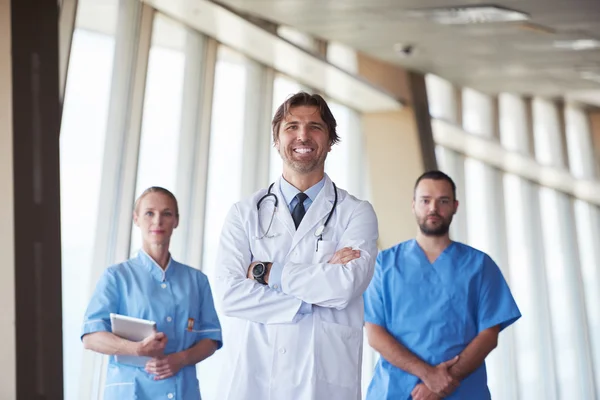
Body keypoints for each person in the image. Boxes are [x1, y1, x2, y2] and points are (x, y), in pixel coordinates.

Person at [214, 92, 379, 400]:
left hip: (322, 383)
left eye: (315, 126)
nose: (303, 135)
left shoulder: (356, 212)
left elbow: (346, 285)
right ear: (277, 139)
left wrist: (268, 274)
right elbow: (229, 294)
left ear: (330, 139)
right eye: (292, 126)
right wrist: (314, 295)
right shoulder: (244, 213)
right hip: (254, 379)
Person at [363, 170, 521, 400]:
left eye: (443, 201)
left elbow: (489, 334)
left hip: (462, 391)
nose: (433, 208)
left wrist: (445, 381)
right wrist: (428, 375)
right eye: (425, 201)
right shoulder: (384, 265)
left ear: (455, 206)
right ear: (413, 204)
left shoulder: (479, 265)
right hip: (395, 391)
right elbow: (375, 333)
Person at [81, 187, 222, 400]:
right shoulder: (116, 277)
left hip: (183, 391)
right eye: (149, 213)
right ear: (136, 219)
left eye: (166, 213)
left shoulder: (197, 280)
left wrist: (181, 359)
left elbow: (210, 338)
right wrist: (135, 349)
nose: (158, 221)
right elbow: (91, 337)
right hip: (132, 392)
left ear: (176, 220)